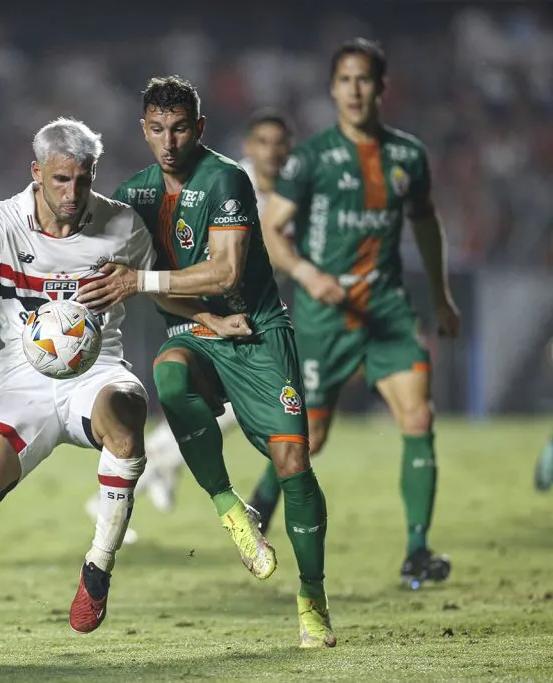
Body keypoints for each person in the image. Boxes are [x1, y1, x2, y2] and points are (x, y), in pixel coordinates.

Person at [0, 118, 241, 653]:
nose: (73, 193)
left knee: (124, 419)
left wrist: (212, 321)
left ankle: (98, 567)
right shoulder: (2, 222)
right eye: (60, 180)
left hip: (97, 370)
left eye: (83, 180)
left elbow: (159, 291)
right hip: (22, 379)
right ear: (37, 173)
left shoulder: (123, 226)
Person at [76, 76, 335, 648]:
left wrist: (141, 281)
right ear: (143, 130)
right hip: (198, 329)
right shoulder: (135, 195)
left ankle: (312, 599)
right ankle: (229, 507)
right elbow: (139, 279)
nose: (169, 141)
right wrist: (205, 319)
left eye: (181, 127)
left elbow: (225, 273)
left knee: (293, 461)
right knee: (167, 375)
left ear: (200, 128)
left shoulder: (226, 179)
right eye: (157, 129)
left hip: (259, 331)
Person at [254, 38, 461, 589]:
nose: (354, 89)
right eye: (344, 79)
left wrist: (440, 296)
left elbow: (425, 225)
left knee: (419, 419)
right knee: (308, 440)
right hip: (327, 319)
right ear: (332, 88)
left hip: (388, 312)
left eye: (364, 79)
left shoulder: (407, 157)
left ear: (381, 87)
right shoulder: (311, 158)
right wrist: (305, 274)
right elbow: (272, 229)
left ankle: (417, 550)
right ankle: (256, 510)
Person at [85, 107, 296, 543]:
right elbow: (236, 259)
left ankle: (161, 468)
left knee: (244, 409)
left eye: (280, 145)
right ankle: (142, 479)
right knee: (229, 400)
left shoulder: (294, 191)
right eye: (263, 144)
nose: (272, 153)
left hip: (253, 310)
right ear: (249, 150)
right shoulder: (231, 183)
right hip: (201, 305)